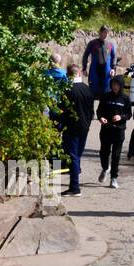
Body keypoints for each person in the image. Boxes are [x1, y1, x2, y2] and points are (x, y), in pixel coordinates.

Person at [54, 64, 94, 196]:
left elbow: (62, 111)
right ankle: (74, 182)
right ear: (79, 74)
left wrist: (58, 124)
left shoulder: (67, 90)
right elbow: (91, 111)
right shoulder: (87, 89)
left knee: (73, 156)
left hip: (71, 127)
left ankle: (75, 186)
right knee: (77, 155)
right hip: (84, 126)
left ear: (67, 75)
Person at [96, 76, 131, 188]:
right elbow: (99, 111)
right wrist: (101, 118)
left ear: (121, 85)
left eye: (117, 84)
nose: (115, 86)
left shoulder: (125, 98)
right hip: (106, 130)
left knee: (116, 156)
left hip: (119, 131)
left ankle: (113, 178)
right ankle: (106, 168)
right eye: (113, 84)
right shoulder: (106, 96)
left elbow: (129, 114)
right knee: (104, 153)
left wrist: (121, 117)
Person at [82, 26, 116, 100]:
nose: (106, 35)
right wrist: (84, 68)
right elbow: (85, 55)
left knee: (106, 92)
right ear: (100, 33)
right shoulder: (93, 43)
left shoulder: (110, 44)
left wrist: (113, 68)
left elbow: (114, 56)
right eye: (104, 32)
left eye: (108, 33)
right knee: (93, 91)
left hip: (106, 71)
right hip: (95, 70)